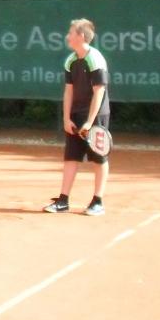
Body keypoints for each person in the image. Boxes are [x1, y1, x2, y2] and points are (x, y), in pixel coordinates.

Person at [43, 19, 110, 216]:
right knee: (71, 157)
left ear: (80, 36)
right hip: (76, 114)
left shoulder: (95, 59)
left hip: (96, 116)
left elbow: (99, 92)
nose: (67, 36)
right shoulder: (71, 60)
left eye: (71, 32)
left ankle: (97, 201)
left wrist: (89, 121)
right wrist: (66, 118)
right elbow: (69, 91)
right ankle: (63, 200)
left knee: (98, 158)